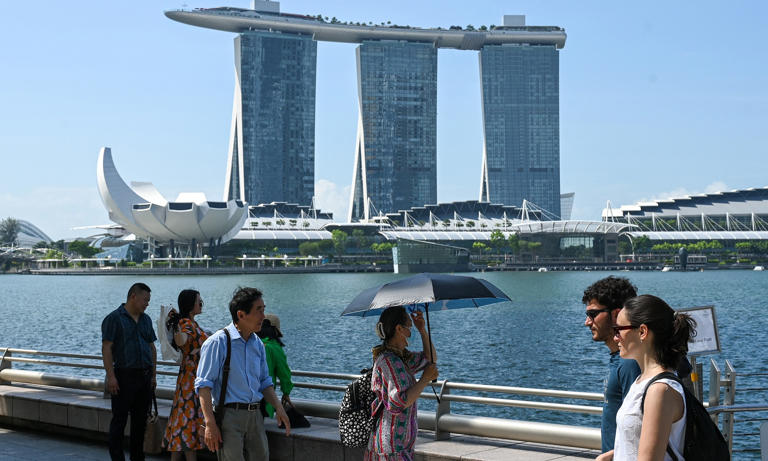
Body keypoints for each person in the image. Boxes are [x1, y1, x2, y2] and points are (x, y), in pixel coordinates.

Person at [194, 287, 290, 461]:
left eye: (264, 309)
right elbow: (203, 386)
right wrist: (210, 424)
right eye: (258, 310)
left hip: (255, 415)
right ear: (241, 315)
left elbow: (264, 382)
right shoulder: (217, 342)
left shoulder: (258, 344)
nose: (263, 316)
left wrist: (279, 407)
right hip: (229, 417)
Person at [598, 294, 695, 461]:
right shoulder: (641, 381)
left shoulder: (660, 391)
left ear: (642, 332)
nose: (615, 337)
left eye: (618, 330)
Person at [366, 306, 439, 461]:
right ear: (399, 329)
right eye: (410, 328)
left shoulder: (400, 358)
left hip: (401, 446)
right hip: (390, 448)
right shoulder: (388, 361)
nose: (410, 333)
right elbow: (398, 402)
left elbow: (430, 359)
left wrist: (422, 330)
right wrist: (425, 379)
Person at [582, 276, 641, 454]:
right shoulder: (620, 358)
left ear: (616, 314)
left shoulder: (631, 364)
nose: (587, 322)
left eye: (592, 314)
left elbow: (639, 426)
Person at [101, 282, 157, 461]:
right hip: (124, 375)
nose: (147, 304)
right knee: (119, 421)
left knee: (140, 423)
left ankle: (137, 458)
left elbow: (151, 347)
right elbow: (107, 348)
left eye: (149, 301)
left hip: (144, 376)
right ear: (133, 296)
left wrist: (154, 375)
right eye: (145, 300)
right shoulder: (114, 318)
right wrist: (111, 377)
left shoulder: (146, 319)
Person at [163, 289, 209, 461]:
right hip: (191, 378)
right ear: (191, 305)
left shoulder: (190, 323)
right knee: (187, 420)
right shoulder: (186, 324)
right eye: (199, 300)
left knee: (183, 419)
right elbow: (183, 340)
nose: (201, 303)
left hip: (189, 376)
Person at [256, 314, 293, 419]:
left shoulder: (251, 344)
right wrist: (286, 393)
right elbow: (284, 373)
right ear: (275, 330)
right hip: (264, 398)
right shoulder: (274, 347)